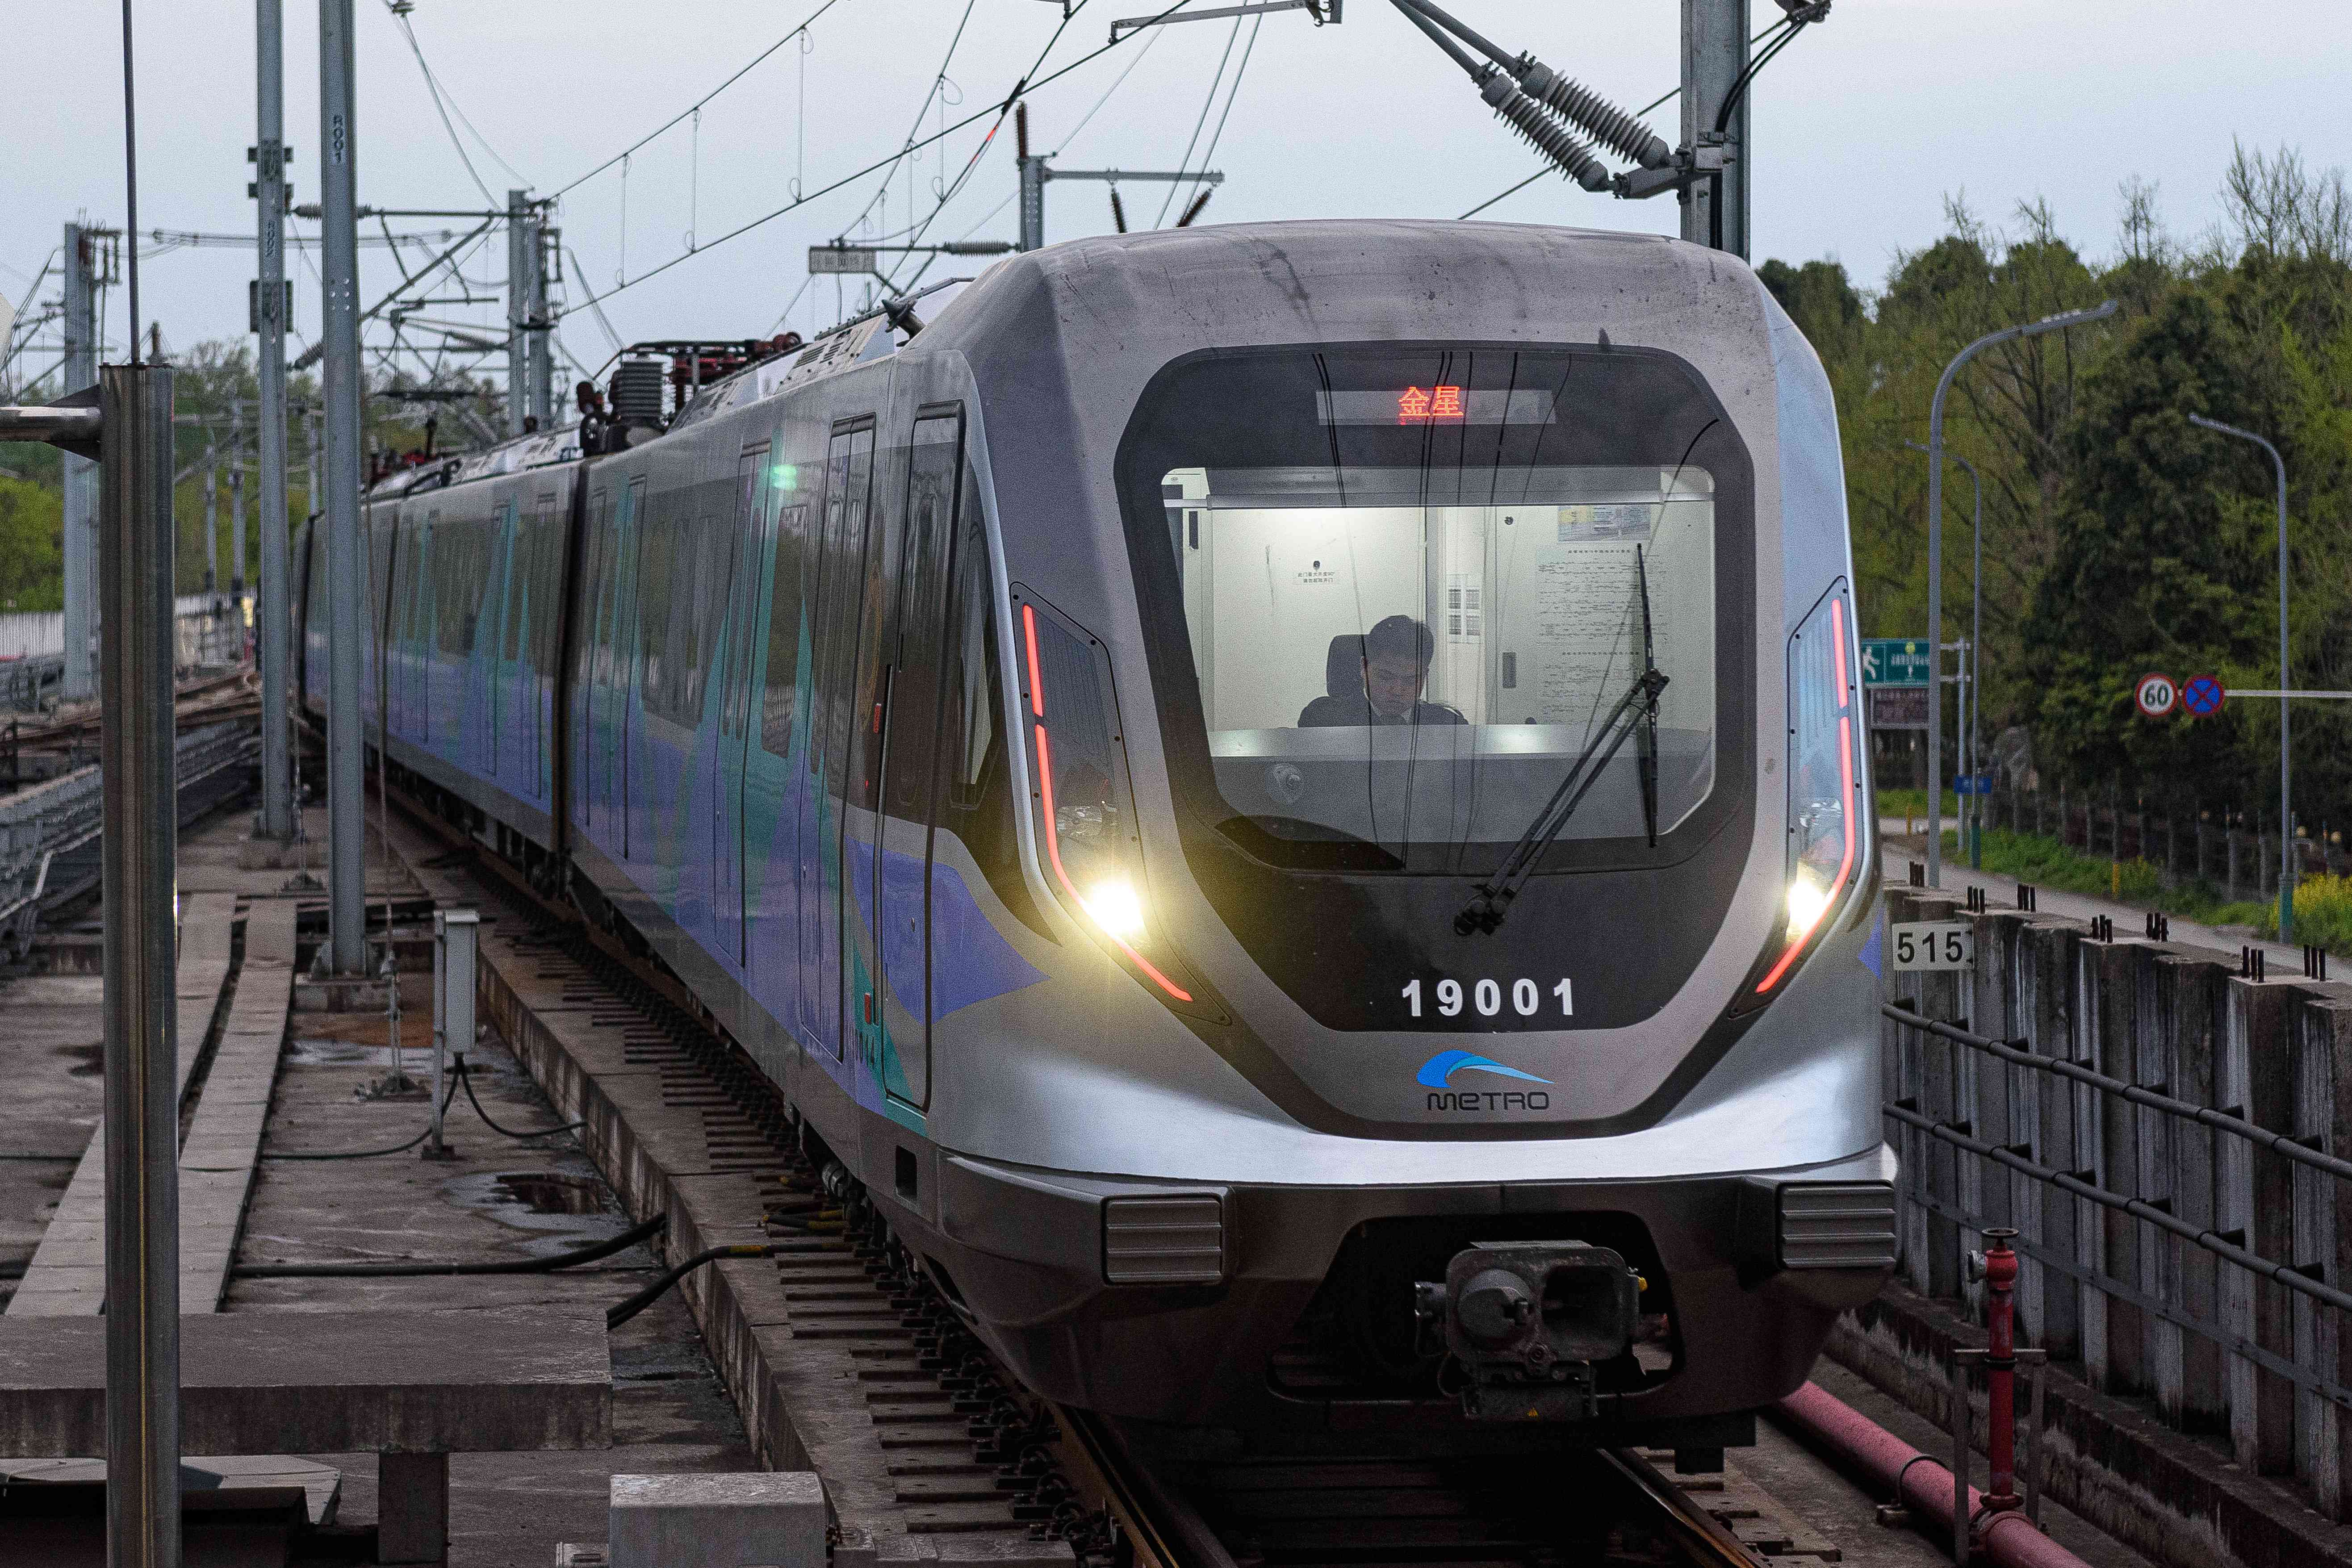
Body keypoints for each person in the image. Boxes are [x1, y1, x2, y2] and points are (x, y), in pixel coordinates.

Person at [1297, 615, 1467, 728]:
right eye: (1386, 677)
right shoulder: (1323, 720)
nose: (1397, 691)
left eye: (1411, 680)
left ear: (1424, 676)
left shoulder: (1448, 726)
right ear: (1364, 667)